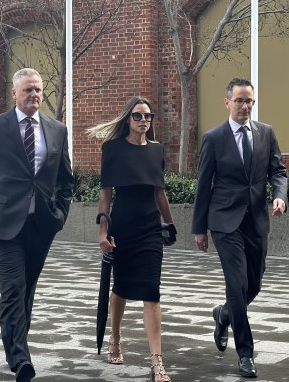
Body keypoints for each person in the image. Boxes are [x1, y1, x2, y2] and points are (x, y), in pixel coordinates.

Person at [0, 68, 73, 382]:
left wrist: (60, 214)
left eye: (38, 90)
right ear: (14, 93)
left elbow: (65, 180)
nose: (34, 95)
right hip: (2, 224)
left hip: (42, 225)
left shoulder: (57, 129)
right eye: (28, 90)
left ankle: (16, 346)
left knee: (27, 291)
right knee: (13, 288)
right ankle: (21, 360)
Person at [191, 78, 287, 378]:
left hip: (256, 220)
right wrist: (199, 228)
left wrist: (280, 196)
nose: (245, 106)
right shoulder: (214, 137)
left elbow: (278, 170)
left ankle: (223, 314)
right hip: (224, 222)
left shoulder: (266, 133)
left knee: (253, 285)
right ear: (227, 102)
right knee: (236, 285)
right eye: (240, 101)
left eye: (250, 101)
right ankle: (245, 354)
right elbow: (203, 184)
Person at [87, 96, 176, 382]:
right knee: (122, 287)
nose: (143, 121)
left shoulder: (157, 150)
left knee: (151, 289)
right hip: (122, 226)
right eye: (138, 116)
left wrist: (170, 225)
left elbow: (159, 193)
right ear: (128, 119)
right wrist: (103, 231)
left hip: (150, 228)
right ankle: (115, 338)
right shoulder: (112, 149)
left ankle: (156, 361)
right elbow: (105, 196)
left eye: (147, 117)